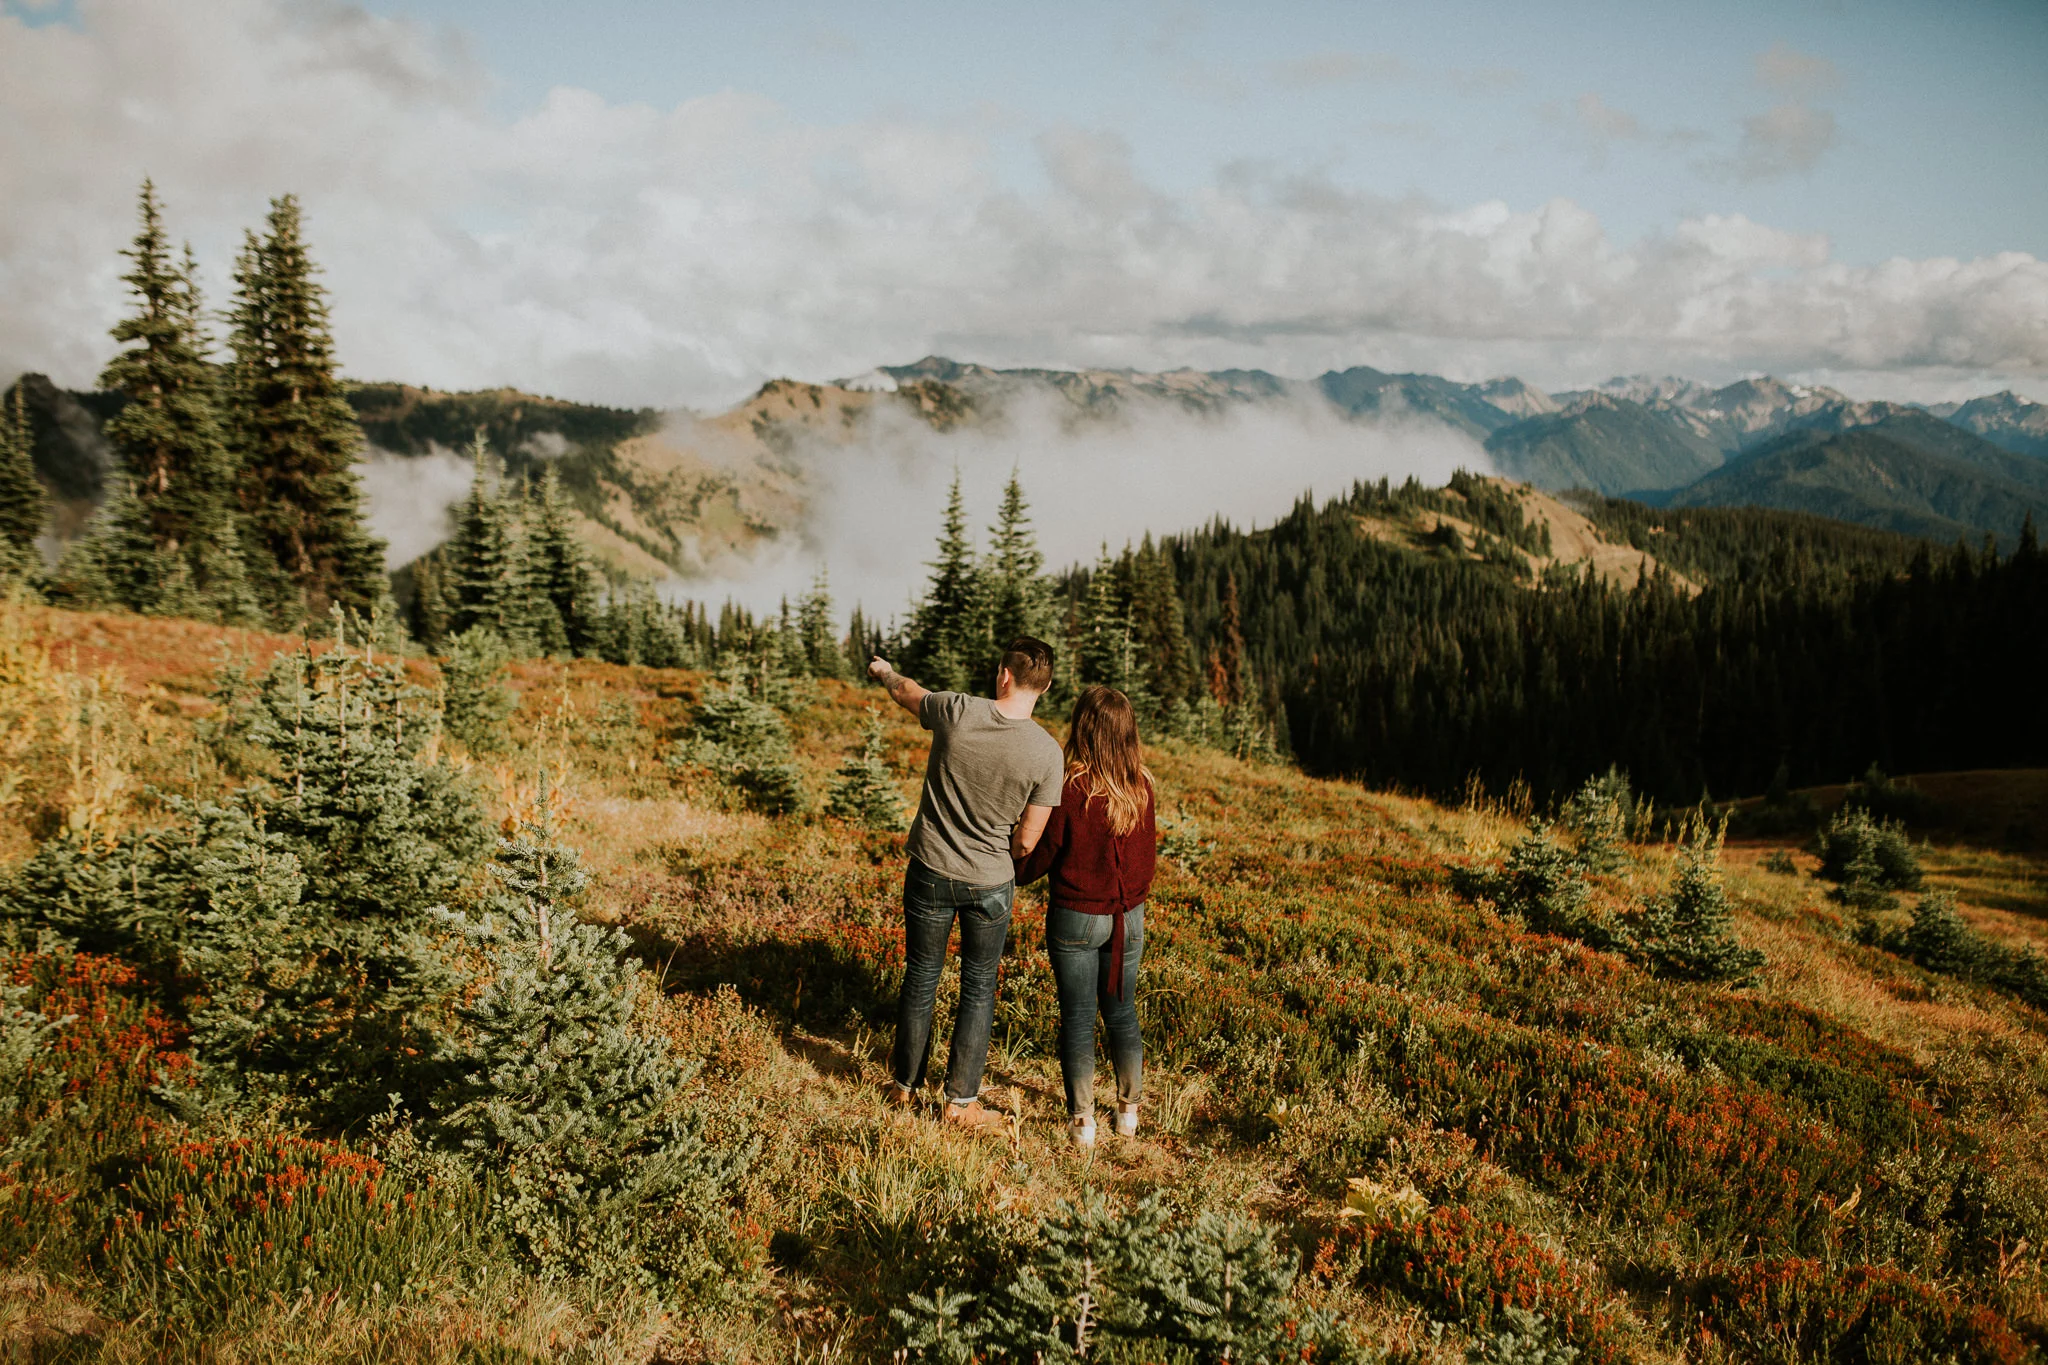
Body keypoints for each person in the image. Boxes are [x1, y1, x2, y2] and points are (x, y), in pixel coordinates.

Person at [869, 639, 1064, 1131]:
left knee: (921, 977)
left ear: (1003, 675)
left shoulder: (956, 710)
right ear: (1045, 686)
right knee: (978, 988)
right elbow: (1026, 841)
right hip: (991, 881)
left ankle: (903, 1088)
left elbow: (908, 692)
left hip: (930, 869)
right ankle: (960, 1103)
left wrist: (885, 672)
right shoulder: (1046, 753)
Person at [1014, 685, 1156, 1149]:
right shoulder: (1142, 786)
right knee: (1123, 1014)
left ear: (1084, 729)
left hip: (1076, 916)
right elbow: (1147, 859)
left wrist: (1014, 871)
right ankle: (1129, 1113)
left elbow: (1046, 851)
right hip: (1126, 919)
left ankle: (1083, 1123)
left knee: (1077, 1018)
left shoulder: (1071, 787)